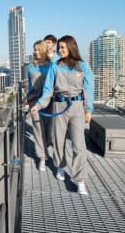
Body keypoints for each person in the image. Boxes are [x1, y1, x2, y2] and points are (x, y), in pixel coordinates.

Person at [31, 35, 94, 195]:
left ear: (71, 48)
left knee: (79, 145)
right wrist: (38, 105)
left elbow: (88, 90)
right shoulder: (55, 67)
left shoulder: (83, 66)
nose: (60, 50)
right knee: (58, 140)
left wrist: (89, 109)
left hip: (77, 107)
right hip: (59, 105)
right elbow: (48, 90)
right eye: (59, 48)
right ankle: (60, 165)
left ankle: (80, 180)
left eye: (63, 48)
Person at [27, 40, 51, 171]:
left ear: (43, 50)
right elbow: (30, 85)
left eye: (37, 49)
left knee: (49, 130)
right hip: (34, 101)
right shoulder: (30, 66)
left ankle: (46, 147)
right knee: (38, 129)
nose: (35, 52)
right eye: (34, 49)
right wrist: (29, 98)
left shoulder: (52, 65)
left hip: (49, 100)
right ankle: (41, 157)